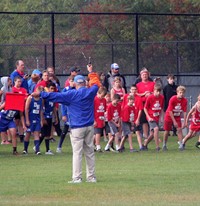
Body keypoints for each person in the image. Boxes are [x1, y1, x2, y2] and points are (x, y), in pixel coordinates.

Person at [32, 65, 100, 183]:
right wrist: (91, 72)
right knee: (89, 152)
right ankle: (91, 177)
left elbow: (55, 96)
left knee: (77, 153)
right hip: (89, 126)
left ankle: (77, 178)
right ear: (84, 83)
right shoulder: (90, 92)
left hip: (77, 127)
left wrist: (41, 94)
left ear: (75, 84)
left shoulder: (71, 94)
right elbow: (96, 84)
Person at [162, 86, 187, 151]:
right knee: (167, 131)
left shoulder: (184, 100)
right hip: (169, 116)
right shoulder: (173, 99)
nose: (181, 94)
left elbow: (184, 111)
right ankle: (164, 144)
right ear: (177, 92)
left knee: (179, 130)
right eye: (180, 92)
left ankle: (181, 144)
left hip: (177, 116)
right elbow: (170, 111)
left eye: (183, 93)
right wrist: (174, 121)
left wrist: (184, 121)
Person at [56, 76, 75, 153]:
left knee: (74, 130)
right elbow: (63, 103)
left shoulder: (77, 90)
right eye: (72, 81)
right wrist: (64, 114)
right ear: (69, 81)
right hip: (68, 113)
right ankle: (59, 146)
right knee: (65, 130)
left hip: (74, 113)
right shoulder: (66, 90)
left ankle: (75, 147)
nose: (73, 82)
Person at [38, 82, 58, 155]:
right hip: (45, 117)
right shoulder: (45, 97)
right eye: (51, 88)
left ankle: (47, 150)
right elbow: (41, 108)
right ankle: (37, 146)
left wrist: (56, 117)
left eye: (53, 89)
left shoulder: (53, 97)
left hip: (50, 117)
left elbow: (53, 108)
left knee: (48, 134)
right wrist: (42, 118)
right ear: (48, 89)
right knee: (43, 133)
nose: (52, 90)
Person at [23, 86, 43, 155]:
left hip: (37, 118)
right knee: (28, 133)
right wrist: (27, 120)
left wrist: (41, 120)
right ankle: (25, 149)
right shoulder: (30, 98)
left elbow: (40, 110)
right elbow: (26, 109)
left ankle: (37, 150)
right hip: (31, 118)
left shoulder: (41, 99)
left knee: (36, 133)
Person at [143, 85, 164, 151]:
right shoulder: (150, 97)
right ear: (153, 91)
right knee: (156, 129)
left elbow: (161, 108)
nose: (158, 93)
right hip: (151, 117)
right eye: (156, 91)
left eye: (159, 91)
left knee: (152, 134)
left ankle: (145, 144)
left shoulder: (162, 98)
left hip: (156, 117)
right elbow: (145, 108)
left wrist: (161, 117)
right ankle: (157, 146)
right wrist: (148, 117)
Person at [136, 68, 155, 140]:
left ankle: (153, 135)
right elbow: (136, 94)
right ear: (141, 76)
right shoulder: (138, 85)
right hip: (143, 103)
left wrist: (150, 94)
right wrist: (144, 94)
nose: (144, 76)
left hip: (151, 103)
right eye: (143, 75)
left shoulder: (152, 83)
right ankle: (146, 136)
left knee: (152, 119)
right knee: (144, 121)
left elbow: (155, 92)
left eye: (146, 74)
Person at [94, 87, 107, 153]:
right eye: (101, 96)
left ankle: (92, 145)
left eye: (103, 96)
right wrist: (94, 120)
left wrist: (104, 119)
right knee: (98, 132)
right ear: (98, 93)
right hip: (96, 118)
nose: (102, 97)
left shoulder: (104, 100)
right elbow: (92, 110)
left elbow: (104, 110)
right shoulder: (94, 100)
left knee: (96, 134)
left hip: (101, 118)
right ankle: (98, 146)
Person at [0, 77, 13, 144]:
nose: (10, 81)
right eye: (8, 80)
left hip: (8, 107)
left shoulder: (10, 89)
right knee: (2, 124)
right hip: (3, 107)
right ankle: (3, 140)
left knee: (8, 122)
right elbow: (2, 100)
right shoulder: (3, 89)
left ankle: (9, 139)